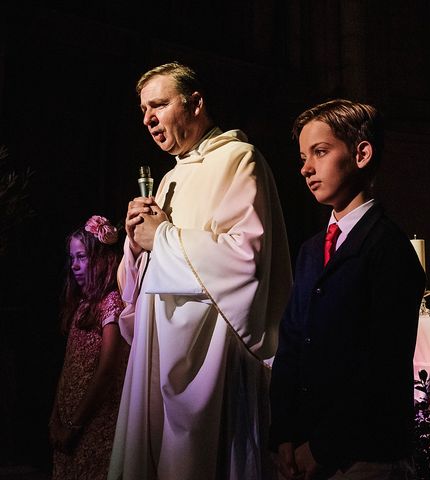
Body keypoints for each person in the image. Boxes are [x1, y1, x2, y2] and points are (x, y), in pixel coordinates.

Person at [108, 62, 292, 480]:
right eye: (142, 110)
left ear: (195, 103)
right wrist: (136, 245)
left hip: (210, 354)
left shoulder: (238, 159)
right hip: (160, 347)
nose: (148, 118)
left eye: (158, 104)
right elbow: (144, 278)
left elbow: (246, 257)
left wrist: (165, 238)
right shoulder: (171, 177)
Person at [269, 99, 426, 480]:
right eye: (303, 156)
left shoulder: (387, 247)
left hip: (363, 455)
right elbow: (290, 342)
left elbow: (378, 365)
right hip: (305, 450)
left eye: (320, 152)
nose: (306, 168)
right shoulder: (310, 250)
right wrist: (284, 434)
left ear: (361, 153)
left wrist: (322, 447)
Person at [49, 215, 128, 480]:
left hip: (94, 421)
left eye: (81, 256)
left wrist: (74, 425)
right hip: (70, 418)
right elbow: (69, 366)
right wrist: (56, 416)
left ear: (101, 258)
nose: (75, 266)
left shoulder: (111, 303)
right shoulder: (83, 305)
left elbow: (107, 369)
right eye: (72, 258)